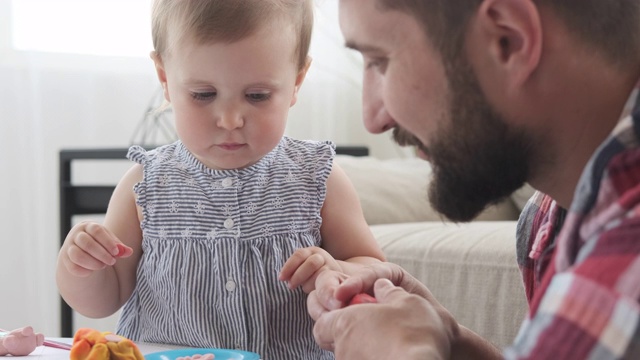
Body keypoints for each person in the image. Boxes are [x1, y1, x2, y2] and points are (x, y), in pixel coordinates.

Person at [307, 0, 640, 359]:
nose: (373, 118)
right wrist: (448, 342)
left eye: (381, 61)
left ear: (508, 40)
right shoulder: (549, 217)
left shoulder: (626, 260)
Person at [55, 1, 385, 359]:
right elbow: (103, 298)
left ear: (296, 83)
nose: (229, 119)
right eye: (203, 95)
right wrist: (80, 266)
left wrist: (336, 270)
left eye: (257, 96)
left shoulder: (315, 177)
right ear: (166, 79)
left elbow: (372, 267)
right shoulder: (145, 186)